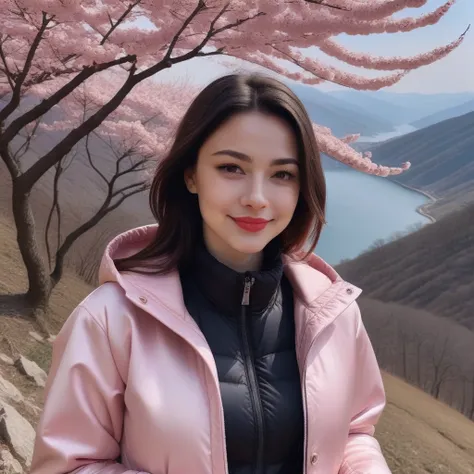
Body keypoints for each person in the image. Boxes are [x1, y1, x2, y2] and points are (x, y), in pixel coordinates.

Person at [30, 73, 391, 474]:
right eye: (231, 168)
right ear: (191, 175)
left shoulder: (333, 315)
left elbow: (356, 430)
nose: (256, 198)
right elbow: (68, 466)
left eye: (282, 174)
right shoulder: (111, 320)